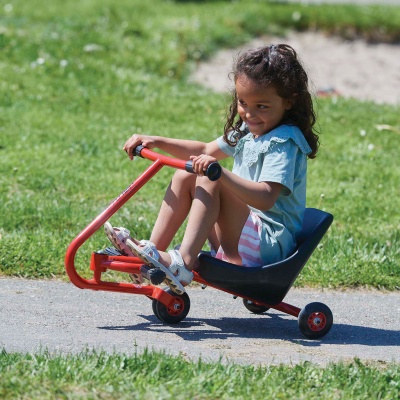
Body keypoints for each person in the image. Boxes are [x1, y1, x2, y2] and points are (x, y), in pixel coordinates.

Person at [104, 44, 319, 293]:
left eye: (261, 106)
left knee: (210, 177)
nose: (249, 114)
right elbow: (205, 150)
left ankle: (181, 263)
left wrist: (221, 174)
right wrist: (158, 141)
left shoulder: (284, 141)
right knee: (187, 173)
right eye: (242, 102)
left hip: (267, 246)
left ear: (289, 102)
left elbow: (266, 198)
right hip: (241, 236)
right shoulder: (248, 130)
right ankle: (151, 253)